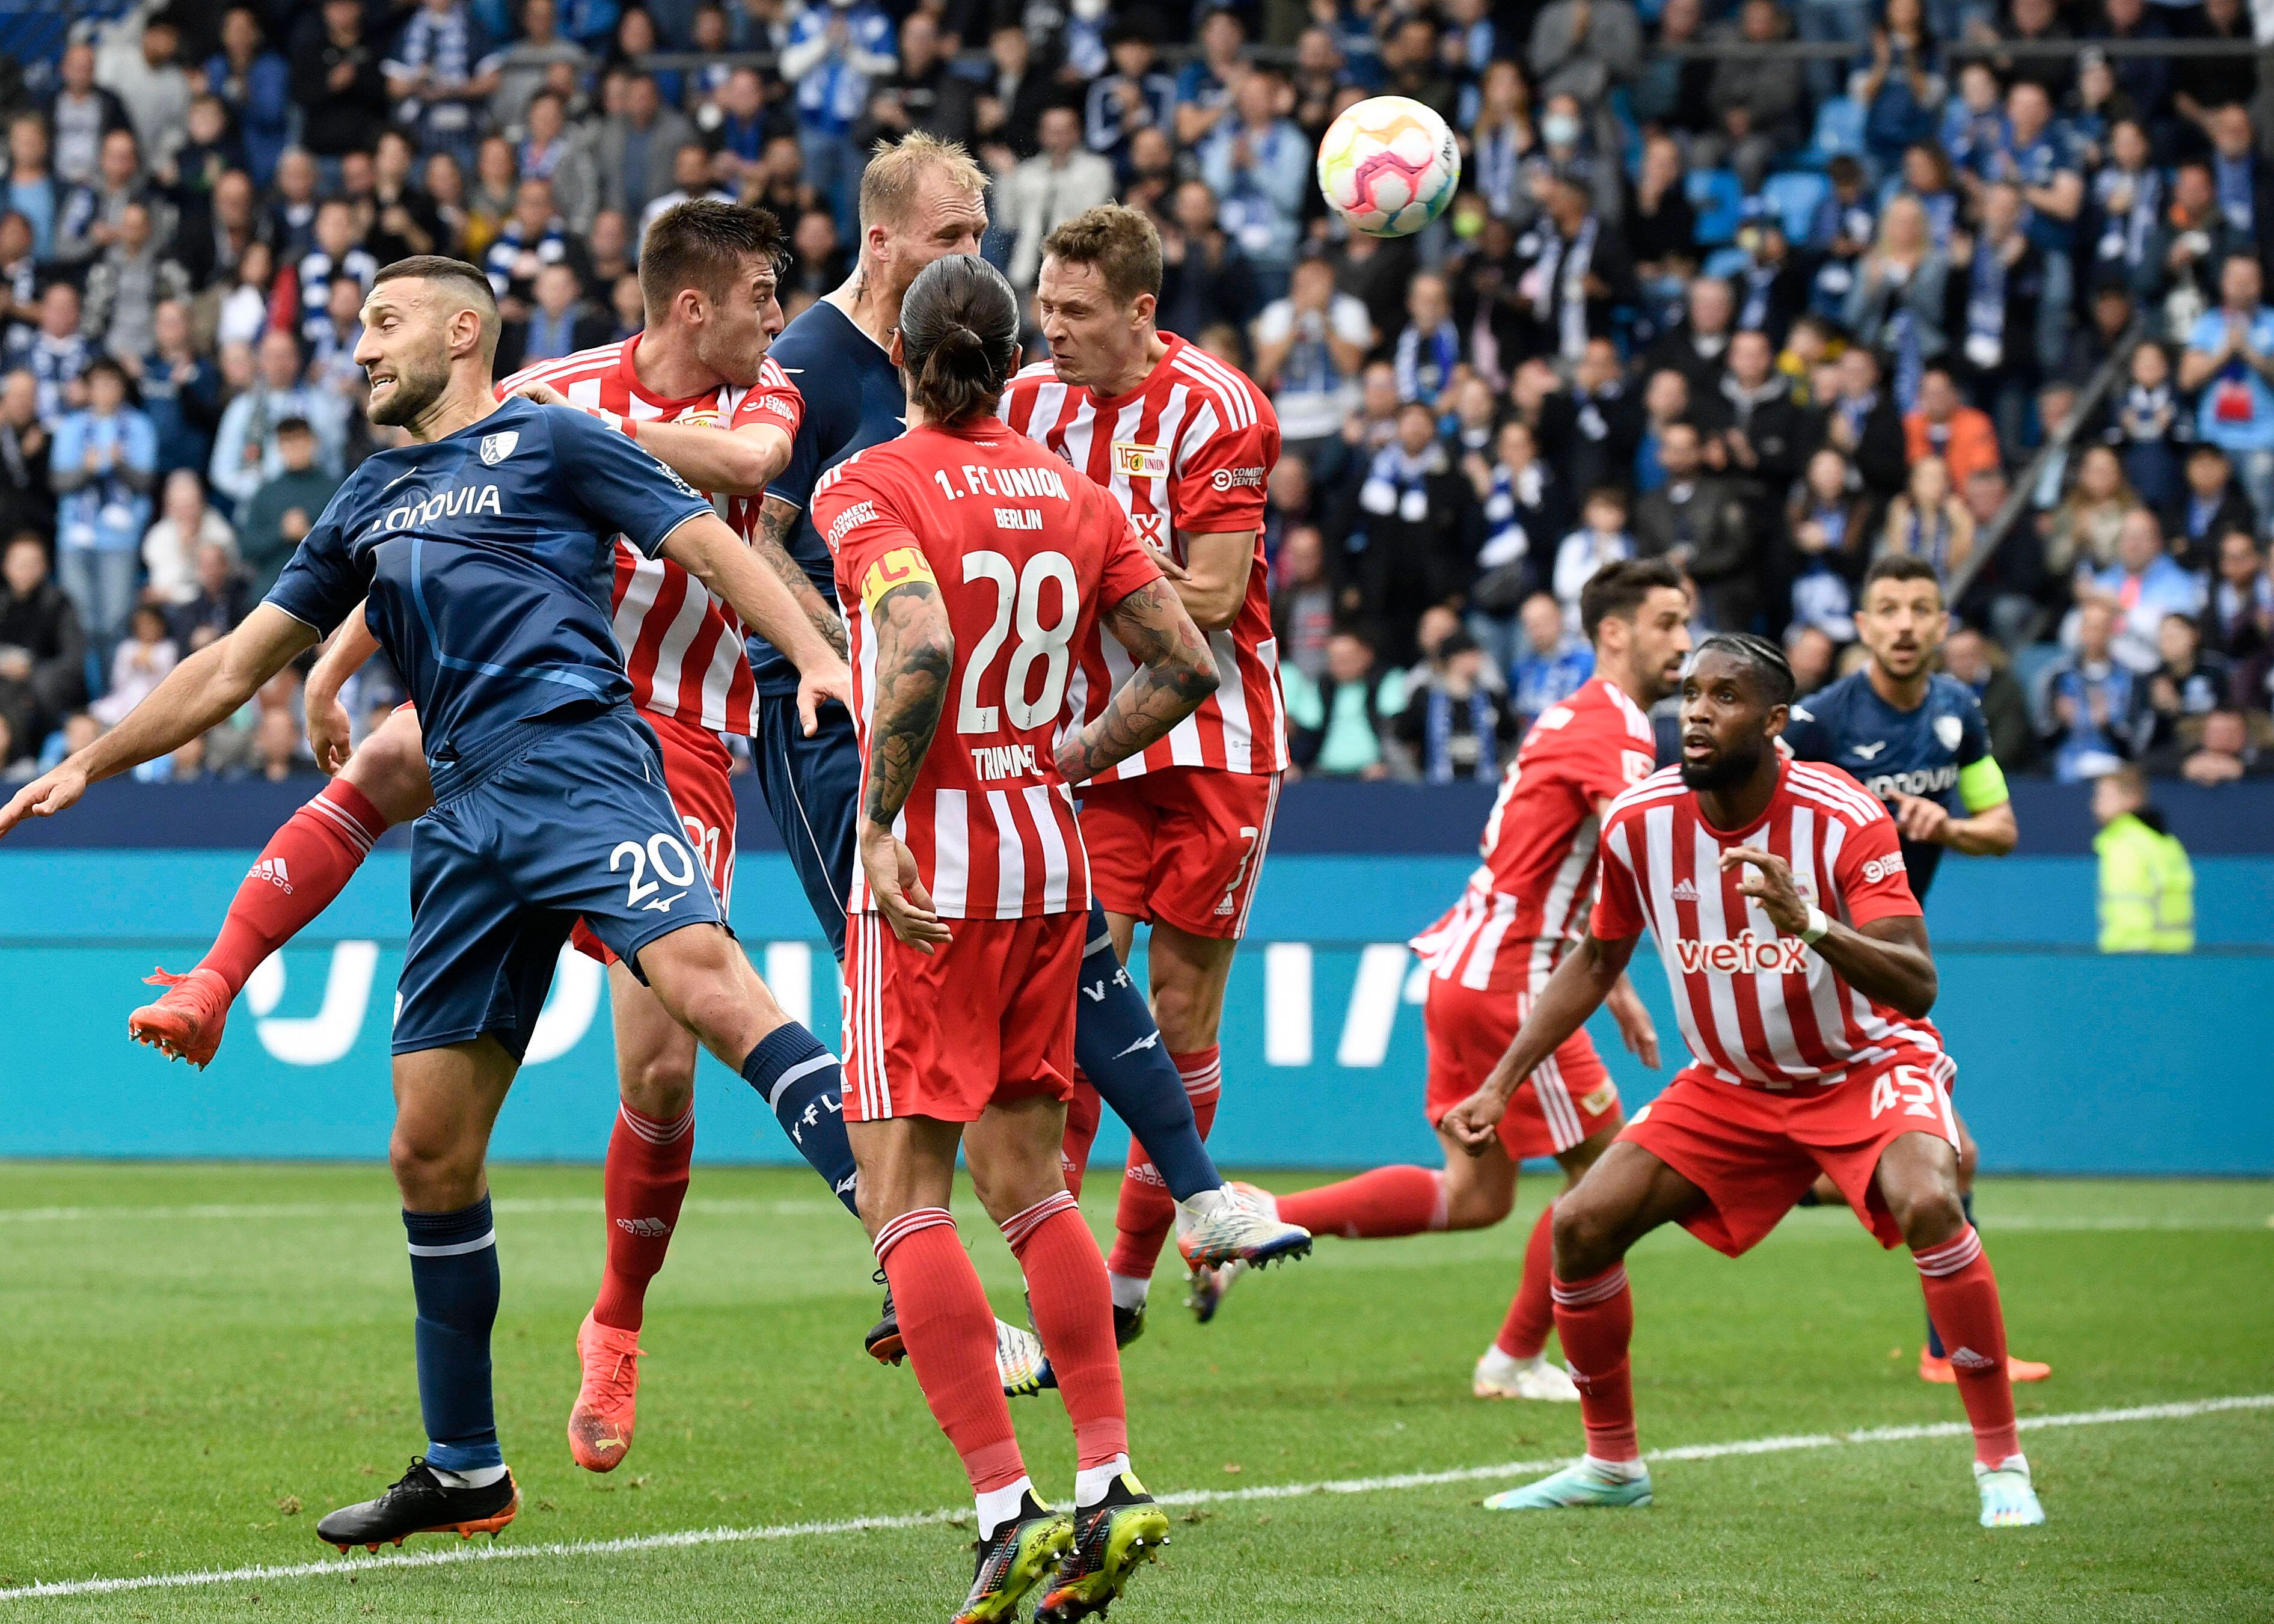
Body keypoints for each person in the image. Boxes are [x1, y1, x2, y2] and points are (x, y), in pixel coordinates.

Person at [0, 253, 854, 1551]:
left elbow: (708, 549)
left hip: (581, 763)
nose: (358, 349)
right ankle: (465, 1469)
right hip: (464, 811)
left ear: (465, 333)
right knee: (428, 1148)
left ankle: (901, 1227)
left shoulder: (556, 437)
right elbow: (234, 663)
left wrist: (815, 658)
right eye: (356, 327)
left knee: (698, 993)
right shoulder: (370, 494)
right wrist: (86, 760)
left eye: (382, 324)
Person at [753, 141, 1305, 1368]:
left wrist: (1027, 723)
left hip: (985, 742)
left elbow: (1168, 632)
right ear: (886, 241)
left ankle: (1134, 1228)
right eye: (956, 240)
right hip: (834, 721)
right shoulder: (810, 368)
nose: (980, 262)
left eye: (980, 236)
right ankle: (946, 1273)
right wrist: (833, 650)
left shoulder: (999, 390)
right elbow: (760, 533)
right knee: (904, 1006)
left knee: (1052, 990)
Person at [807, 251, 1207, 1624]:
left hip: (933, 870)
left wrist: (876, 817)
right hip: (1049, 861)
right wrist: (1073, 755)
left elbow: (912, 647)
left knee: (904, 1193)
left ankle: (1001, 1506)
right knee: (1033, 1186)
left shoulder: (868, 484)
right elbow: (1185, 659)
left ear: (905, 354)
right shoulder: (1073, 492)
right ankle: (1109, 1474)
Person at [1448, 634, 2046, 1529]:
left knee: (1930, 1196)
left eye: (1724, 697)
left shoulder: (1841, 814)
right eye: (1690, 693)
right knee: (1580, 1224)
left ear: (1774, 723)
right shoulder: (1639, 820)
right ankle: (1611, 1465)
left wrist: (1807, 921)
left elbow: (1915, 981)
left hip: (1864, 1061)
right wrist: (1501, 1082)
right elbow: (1597, 954)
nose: (1696, 711)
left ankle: (2002, 1463)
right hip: (1728, 1083)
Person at [1223, 562, 1686, 1397]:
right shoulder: (1613, 731)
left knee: (1476, 1195)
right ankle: (1512, 1358)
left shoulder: (1573, 718)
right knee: (1611, 1182)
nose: (1683, 643)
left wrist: (1607, 982)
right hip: (1512, 984)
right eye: (1666, 623)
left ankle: (1263, 1217)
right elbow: (1641, 845)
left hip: (1475, 967)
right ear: (1613, 633)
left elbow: (1554, 861)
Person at [1005, 202, 1293, 1335]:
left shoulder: (1221, 408)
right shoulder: (1025, 404)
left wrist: (1085, 566)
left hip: (1217, 742)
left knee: (1178, 1014)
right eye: (1043, 307)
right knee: (1086, 992)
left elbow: (1217, 599)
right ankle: (1064, 1274)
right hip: (1093, 740)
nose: (1053, 330)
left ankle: (1129, 1275)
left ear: (1141, 311)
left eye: (1075, 312)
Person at [1782, 554, 2052, 1383]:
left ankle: (1946, 1349)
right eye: (1887, 609)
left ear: (1942, 627)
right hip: (1825, 955)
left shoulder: (1957, 712)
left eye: (1920, 609)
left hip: (1889, 960)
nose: (1903, 624)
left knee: (1948, 1157)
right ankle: (1952, 1351)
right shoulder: (1819, 723)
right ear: (1861, 627)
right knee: (1949, 1154)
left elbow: (2001, 824)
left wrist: (1947, 829)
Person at [2092, 764, 2193, 952]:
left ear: (2132, 798)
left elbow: (2129, 909)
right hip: (2176, 958)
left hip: (2133, 959)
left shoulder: (2123, 843)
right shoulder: (2166, 842)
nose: (2096, 804)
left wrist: (2131, 959)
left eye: (2104, 796)